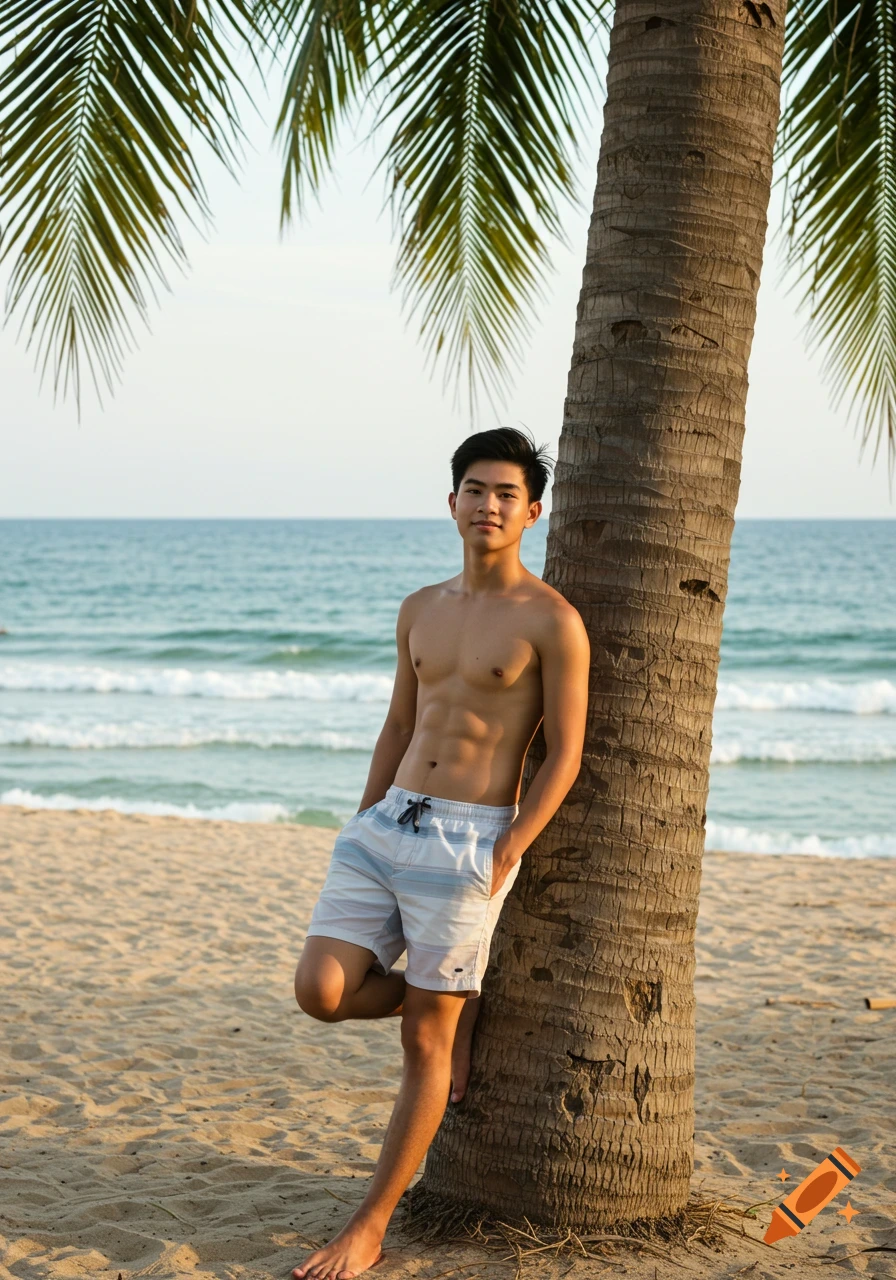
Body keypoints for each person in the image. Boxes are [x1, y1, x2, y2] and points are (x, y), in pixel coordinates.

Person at [292, 427, 590, 1280]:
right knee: (320, 990)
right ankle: (457, 995)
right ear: (451, 501)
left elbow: (564, 751)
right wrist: (361, 821)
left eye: (506, 494)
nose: (487, 505)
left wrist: (512, 847)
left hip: (472, 836)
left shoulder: (552, 621)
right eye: (474, 489)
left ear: (532, 511)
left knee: (426, 1039)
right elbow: (397, 723)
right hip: (387, 826)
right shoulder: (419, 606)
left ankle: (370, 1225)